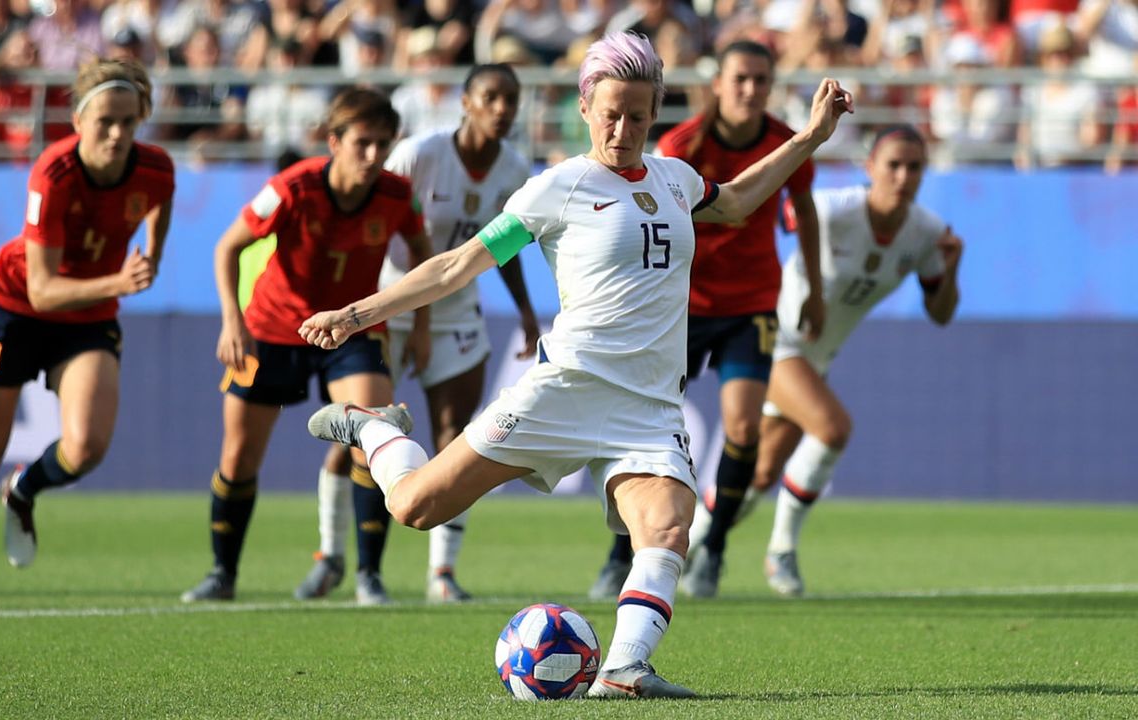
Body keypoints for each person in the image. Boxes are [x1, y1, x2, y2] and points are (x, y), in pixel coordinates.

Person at [299, 31, 851, 697]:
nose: (623, 129)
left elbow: (734, 200)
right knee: (416, 507)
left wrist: (810, 138)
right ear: (586, 108)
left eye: (639, 116)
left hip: (647, 408)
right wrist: (355, 314)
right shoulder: (555, 189)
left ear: (655, 115)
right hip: (563, 390)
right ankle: (376, 428)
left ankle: (622, 671)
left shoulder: (676, 180)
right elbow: (453, 266)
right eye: (611, 113)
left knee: (671, 525)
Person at [0, 58, 174, 612]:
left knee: (87, 449)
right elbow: (44, 290)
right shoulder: (53, 175)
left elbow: (159, 201)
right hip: (17, 308)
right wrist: (121, 278)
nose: (118, 133)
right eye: (106, 121)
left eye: (129, 120)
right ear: (78, 120)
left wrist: (154, 252)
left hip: (90, 316)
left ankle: (24, 489)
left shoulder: (155, 168)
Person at [293, 63, 541, 605]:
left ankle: (443, 574)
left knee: (458, 440)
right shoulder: (419, 154)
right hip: (387, 307)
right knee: (360, 433)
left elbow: (506, 248)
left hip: (456, 311)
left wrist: (524, 310)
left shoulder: (516, 169)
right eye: (491, 96)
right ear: (467, 104)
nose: (502, 108)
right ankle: (333, 555)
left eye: (511, 99)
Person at [587, 39, 825, 601]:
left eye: (761, 81)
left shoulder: (780, 143)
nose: (750, 90)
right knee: (649, 428)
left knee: (743, 429)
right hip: (684, 308)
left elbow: (805, 212)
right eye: (740, 78)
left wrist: (812, 286)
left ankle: (714, 547)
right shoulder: (681, 144)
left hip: (752, 304)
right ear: (717, 82)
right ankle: (622, 551)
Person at [179, 87, 434, 606]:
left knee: (376, 429)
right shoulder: (293, 187)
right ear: (333, 140)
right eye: (363, 142)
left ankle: (369, 577)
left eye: (383, 144)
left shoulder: (395, 194)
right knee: (239, 457)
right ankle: (221, 574)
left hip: (351, 330)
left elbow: (424, 253)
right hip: (273, 329)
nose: (373, 155)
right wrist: (232, 321)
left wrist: (423, 325)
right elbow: (228, 245)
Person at [756, 125, 961, 597]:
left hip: (816, 359)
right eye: (893, 164)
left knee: (759, 475)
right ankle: (781, 552)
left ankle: (698, 547)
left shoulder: (926, 232)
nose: (903, 175)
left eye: (915, 167)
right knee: (833, 428)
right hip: (775, 340)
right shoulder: (833, 209)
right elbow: (766, 216)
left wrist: (951, 269)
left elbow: (941, 313)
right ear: (870, 168)